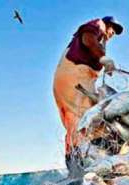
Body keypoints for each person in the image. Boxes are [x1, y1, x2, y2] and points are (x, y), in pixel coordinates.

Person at [53, 16, 123, 170]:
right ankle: (87, 165)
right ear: (107, 24)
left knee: (75, 123)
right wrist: (103, 58)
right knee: (88, 120)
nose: (112, 33)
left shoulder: (101, 41)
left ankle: (73, 164)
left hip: (67, 79)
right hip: (75, 76)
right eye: (113, 29)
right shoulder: (99, 25)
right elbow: (87, 38)